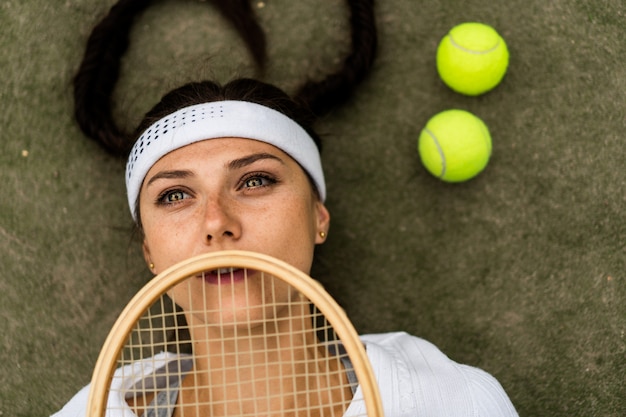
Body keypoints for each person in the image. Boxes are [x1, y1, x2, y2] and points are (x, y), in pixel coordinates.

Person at [52, 1, 518, 416]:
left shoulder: (452, 400)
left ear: (319, 217)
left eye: (256, 181)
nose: (217, 222)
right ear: (149, 250)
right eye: (175, 195)